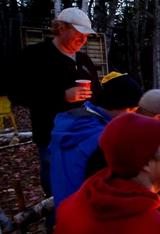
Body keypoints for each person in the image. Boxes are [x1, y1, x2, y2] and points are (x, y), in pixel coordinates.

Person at [8, 7, 100, 196]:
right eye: (78, 34)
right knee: (57, 188)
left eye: (86, 36)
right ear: (61, 28)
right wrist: (61, 96)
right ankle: (56, 221)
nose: (83, 40)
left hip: (86, 134)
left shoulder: (83, 59)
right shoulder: (36, 56)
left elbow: (98, 93)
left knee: (87, 183)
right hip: (52, 137)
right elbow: (17, 93)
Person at [49, 72, 142, 208]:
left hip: (64, 211)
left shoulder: (73, 122)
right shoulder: (102, 138)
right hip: (88, 215)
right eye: (133, 110)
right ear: (123, 106)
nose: (134, 116)